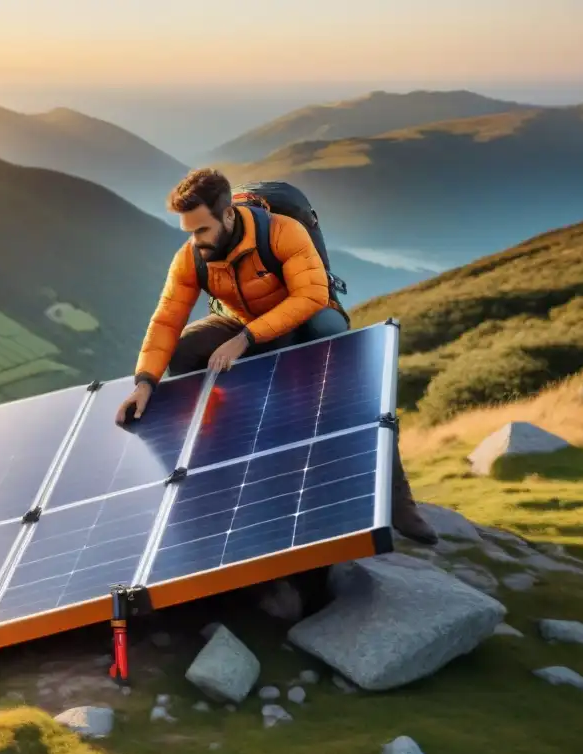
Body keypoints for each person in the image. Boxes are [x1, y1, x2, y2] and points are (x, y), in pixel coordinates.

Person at [115, 168, 437, 546]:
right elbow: (166, 319)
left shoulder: (283, 231)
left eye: (202, 230)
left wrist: (246, 340)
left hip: (305, 315)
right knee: (186, 346)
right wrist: (144, 383)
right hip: (242, 323)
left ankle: (399, 503)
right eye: (189, 231)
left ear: (228, 215)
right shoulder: (192, 257)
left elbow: (310, 296)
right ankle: (215, 455)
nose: (195, 241)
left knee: (332, 342)